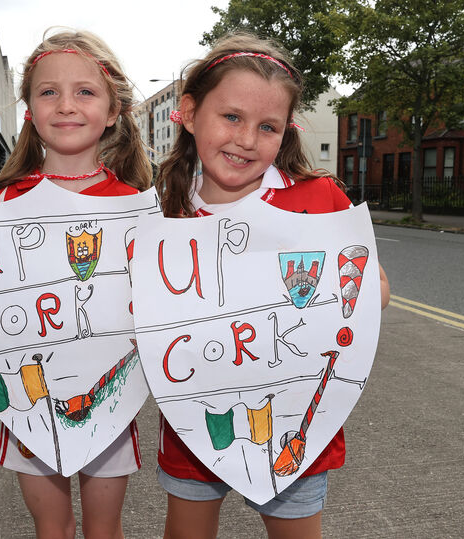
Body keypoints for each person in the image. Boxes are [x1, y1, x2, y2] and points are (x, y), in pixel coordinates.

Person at [155, 33, 390, 539]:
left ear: (285, 133)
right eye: (232, 117)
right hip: (196, 416)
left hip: (295, 419)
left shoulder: (318, 197)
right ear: (190, 112)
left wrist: (355, 294)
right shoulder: (161, 211)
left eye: (267, 127)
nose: (245, 139)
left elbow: (375, 289)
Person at [0, 29, 151, 539]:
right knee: (52, 528)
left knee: (104, 531)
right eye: (48, 91)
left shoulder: (138, 204)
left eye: (85, 91)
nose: (66, 105)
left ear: (113, 109)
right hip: (31, 401)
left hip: (110, 398)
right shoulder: (3, 201)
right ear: (30, 110)